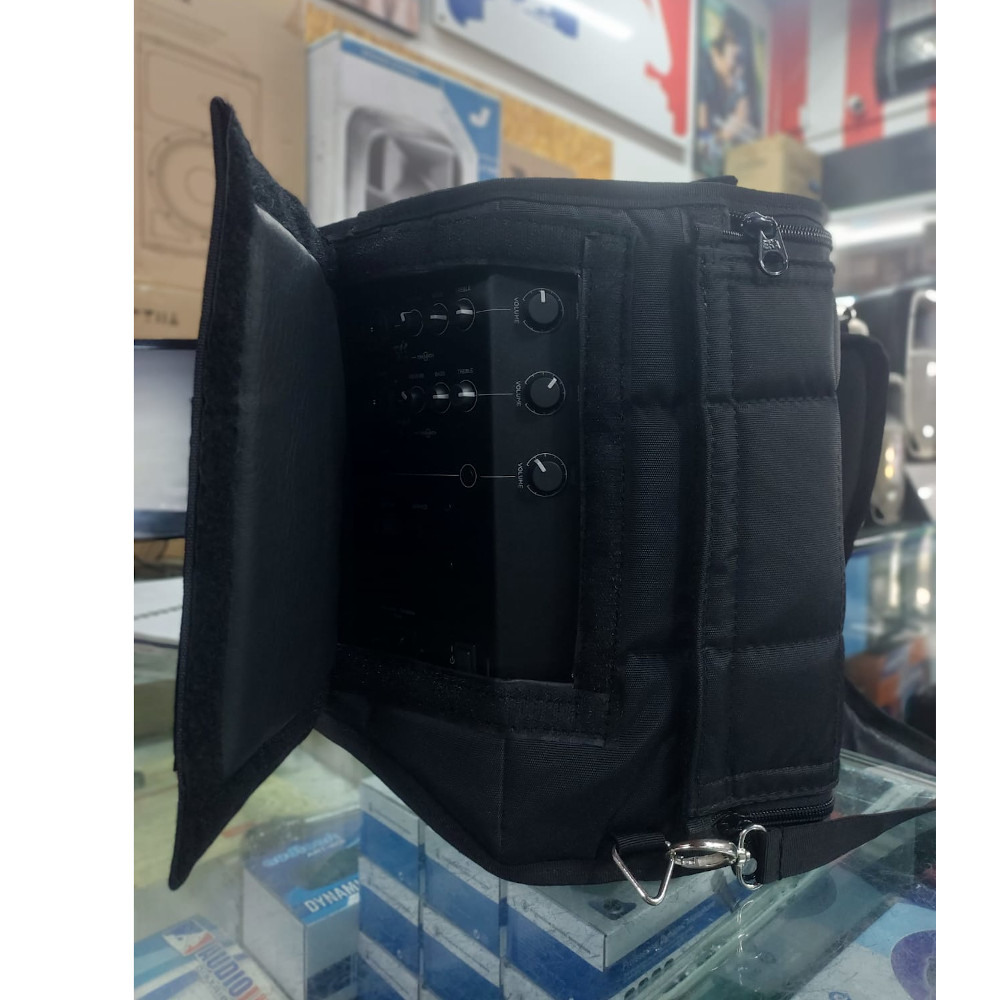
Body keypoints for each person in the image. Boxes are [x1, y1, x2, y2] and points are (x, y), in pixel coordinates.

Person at [696, 8, 761, 175]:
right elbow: (703, 142)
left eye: (741, 69)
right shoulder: (705, 72)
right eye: (734, 66)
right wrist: (722, 136)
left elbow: (743, 116)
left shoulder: (739, 87)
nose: (736, 76)